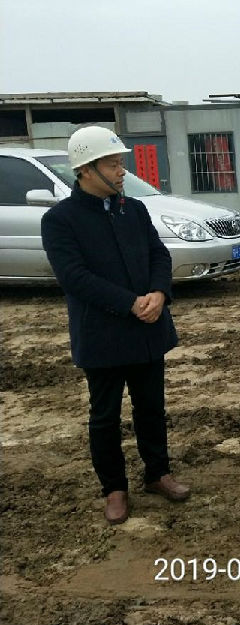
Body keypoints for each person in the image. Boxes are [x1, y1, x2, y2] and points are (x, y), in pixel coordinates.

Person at [41, 126, 190, 526]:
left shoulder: (134, 210)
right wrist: (130, 303)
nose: (121, 171)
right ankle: (114, 489)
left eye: (121, 163)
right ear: (86, 169)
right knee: (105, 416)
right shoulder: (60, 220)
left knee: (151, 408)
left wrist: (159, 292)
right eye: (112, 164)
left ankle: (157, 473)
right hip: (103, 335)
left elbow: (159, 255)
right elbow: (74, 277)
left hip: (147, 330)